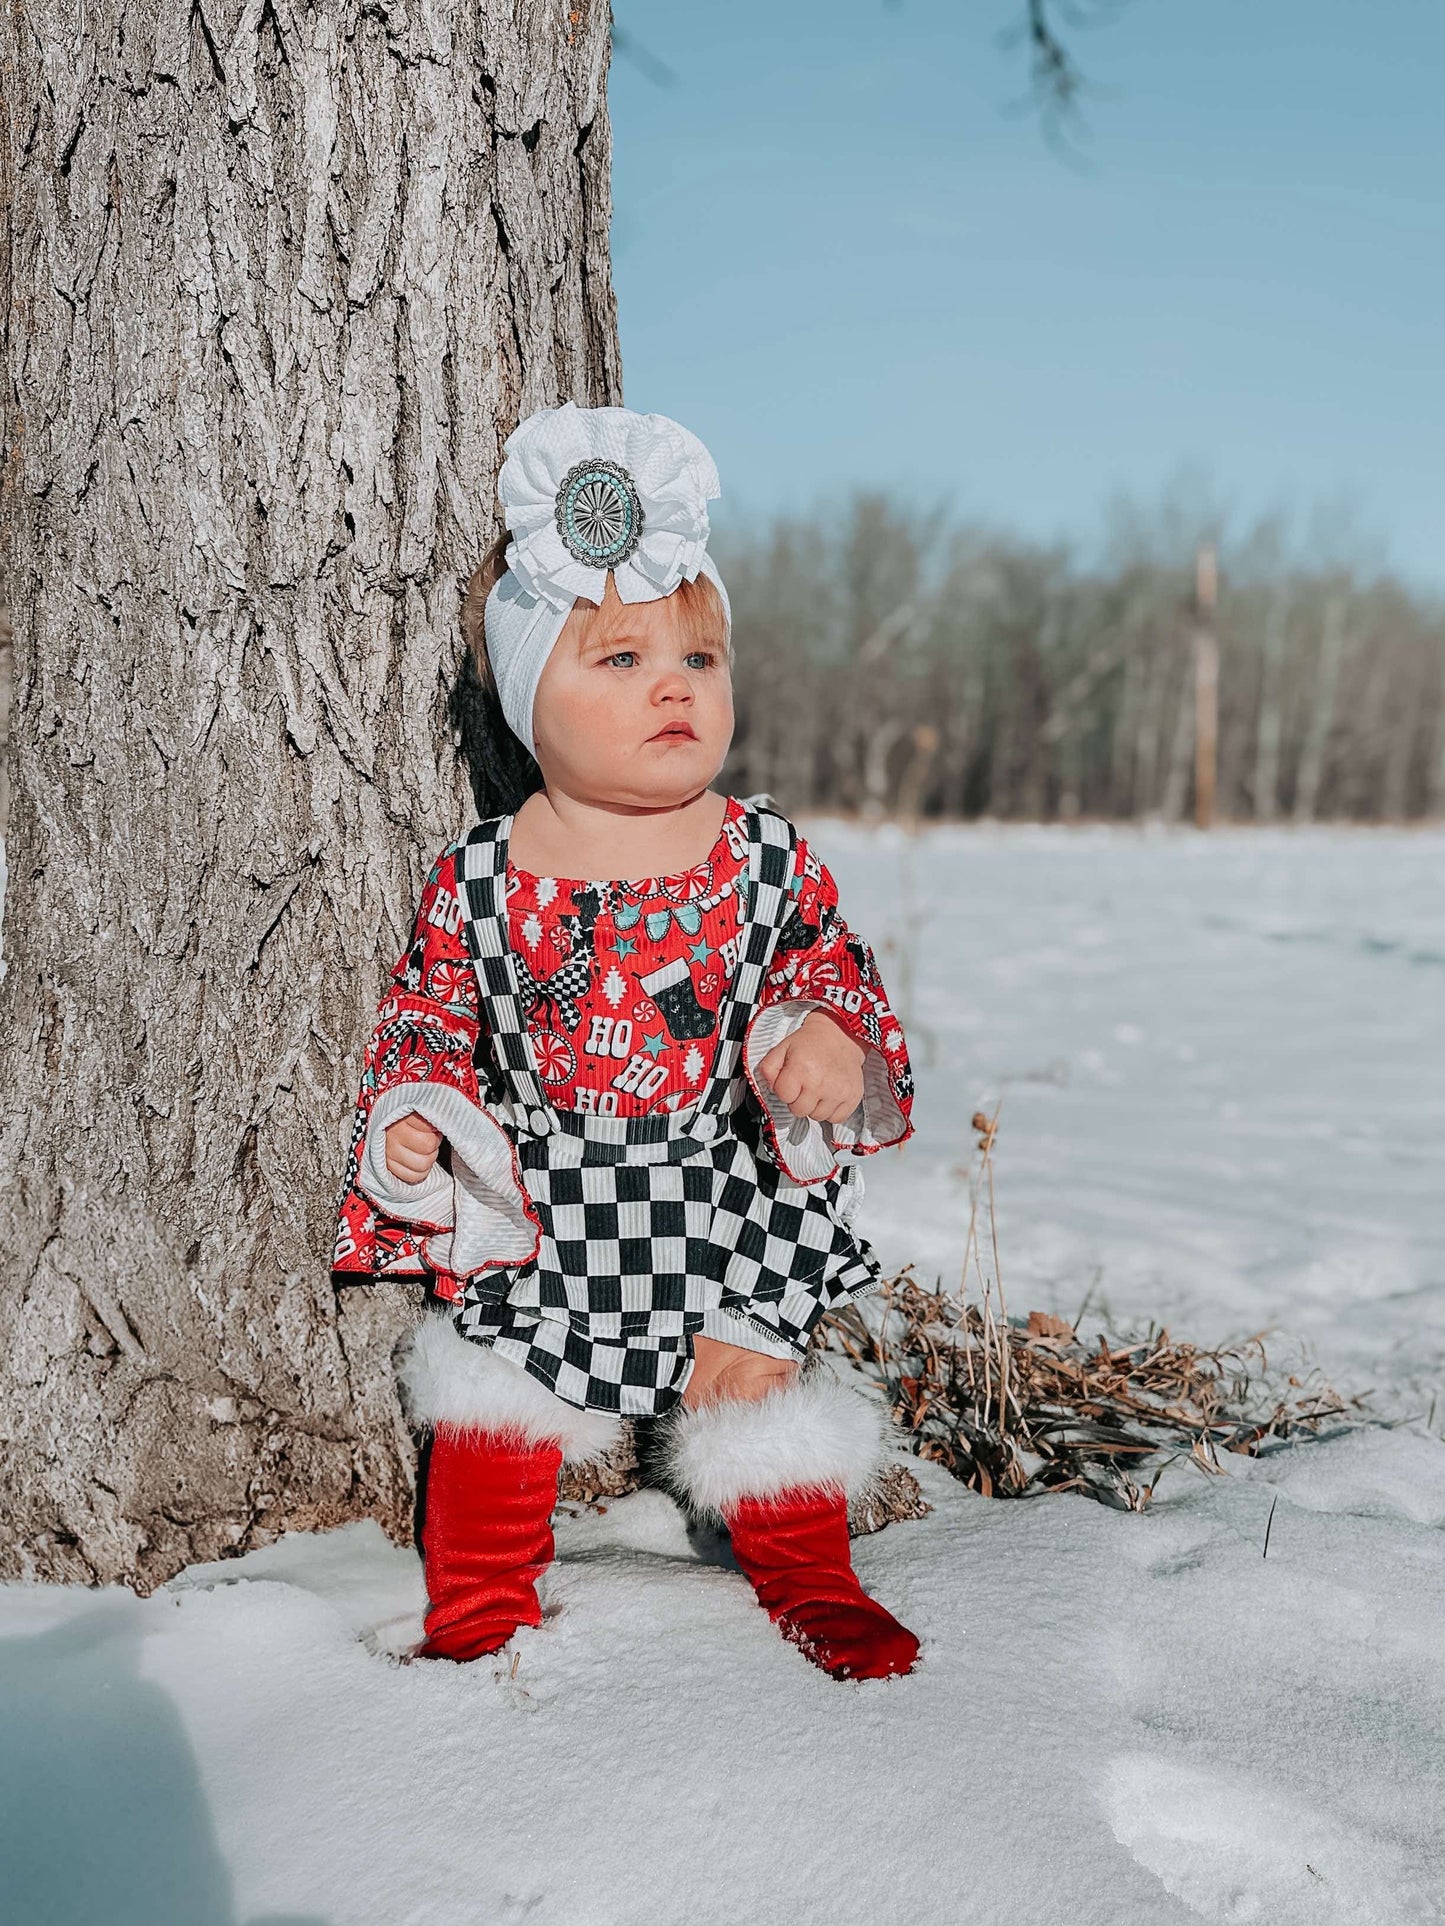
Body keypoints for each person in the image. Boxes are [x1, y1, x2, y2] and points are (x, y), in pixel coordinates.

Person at [334, 404, 919, 1682]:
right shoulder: (483, 874)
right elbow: (432, 1005)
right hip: (552, 1193)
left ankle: (815, 1581)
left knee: (750, 1387)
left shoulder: (760, 855)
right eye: (617, 663)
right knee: (493, 1383)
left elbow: (824, 956)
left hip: (721, 1185)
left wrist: (825, 1033)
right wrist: (422, 1105)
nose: (673, 687)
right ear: (520, 688)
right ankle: (478, 1602)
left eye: (698, 663)